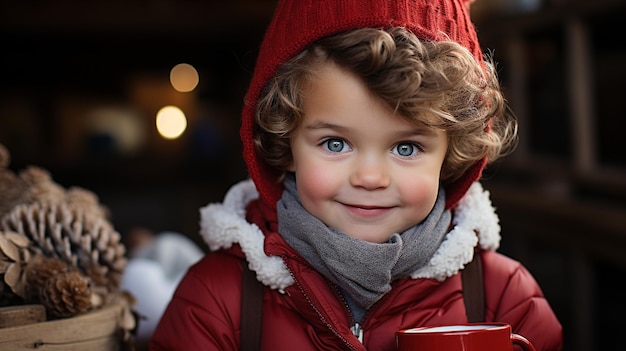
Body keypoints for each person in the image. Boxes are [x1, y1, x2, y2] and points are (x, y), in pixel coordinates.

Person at [150, 0, 563, 350]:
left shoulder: (504, 297)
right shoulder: (217, 299)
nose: (370, 178)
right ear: (284, 141)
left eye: (406, 148)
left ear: (452, 155)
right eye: (335, 144)